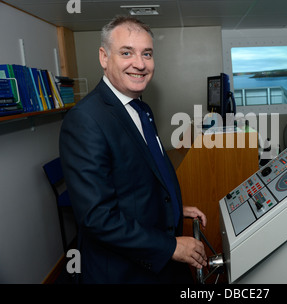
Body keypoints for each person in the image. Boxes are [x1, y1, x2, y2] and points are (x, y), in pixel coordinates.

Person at [59, 15, 207, 284]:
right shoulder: (85, 119)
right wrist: (171, 246)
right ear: (104, 57)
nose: (140, 64)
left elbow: (138, 176)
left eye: (147, 54)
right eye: (126, 52)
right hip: (123, 271)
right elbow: (97, 217)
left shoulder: (141, 108)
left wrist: (173, 208)